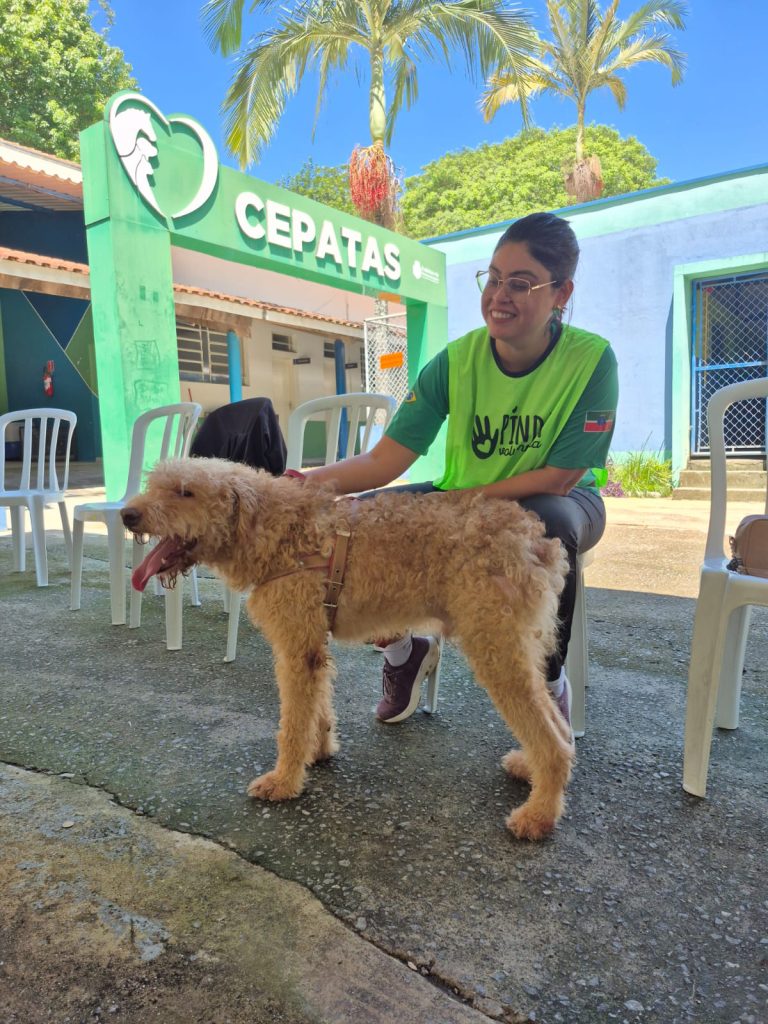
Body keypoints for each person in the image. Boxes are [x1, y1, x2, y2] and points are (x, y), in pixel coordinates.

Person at [300, 212, 618, 737]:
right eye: (493, 278)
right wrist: (310, 484)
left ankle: (548, 682)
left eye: (520, 283)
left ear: (561, 293)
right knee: (359, 524)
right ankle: (406, 648)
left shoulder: (592, 361)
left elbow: (561, 476)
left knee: (546, 525)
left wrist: (466, 499)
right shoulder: (456, 362)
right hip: (466, 496)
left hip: (562, 500)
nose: (499, 295)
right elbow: (385, 461)